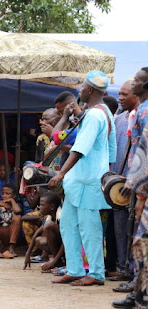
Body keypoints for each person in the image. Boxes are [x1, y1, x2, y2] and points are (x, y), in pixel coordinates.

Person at [48, 70, 116, 286]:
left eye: (83, 87)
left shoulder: (96, 115)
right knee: (68, 225)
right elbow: (111, 149)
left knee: (90, 228)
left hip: (87, 179)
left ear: (90, 90)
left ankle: (96, 273)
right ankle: (76, 269)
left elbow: (80, 148)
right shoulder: (100, 111)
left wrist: (60, 173)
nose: (80, 90)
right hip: (81, 180)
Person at [113, 68, 148, 308]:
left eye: (136, 80)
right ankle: (138, 292)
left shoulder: (146, 113)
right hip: (138, 183)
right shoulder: (140, 111)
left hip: (144, 188)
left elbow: (144, 154)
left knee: (141, 243)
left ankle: (139, 294)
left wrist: (140, 194)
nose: (133, 83)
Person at [110, 80, 140, 282]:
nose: (120, 98)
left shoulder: (142, 117)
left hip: (138, 183)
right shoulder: (118, 120)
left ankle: (134, 271)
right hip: (118, 184)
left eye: (124, 94)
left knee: (136, 228)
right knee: (121, 227)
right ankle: (123, 267)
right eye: (119, 94)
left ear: (136, 95)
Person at [23, 192, 63, 272]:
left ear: (52, 207)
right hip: (61, 243)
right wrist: (28, 253)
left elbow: (67, 241)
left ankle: (57, 262)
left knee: (48, 226)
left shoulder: (61, 216)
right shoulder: (50, 217)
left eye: (42, 205)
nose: (39, 207)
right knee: (39, 240)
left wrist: (53, 263)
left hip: (68, 244)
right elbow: (38, 232)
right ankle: (58, 262)